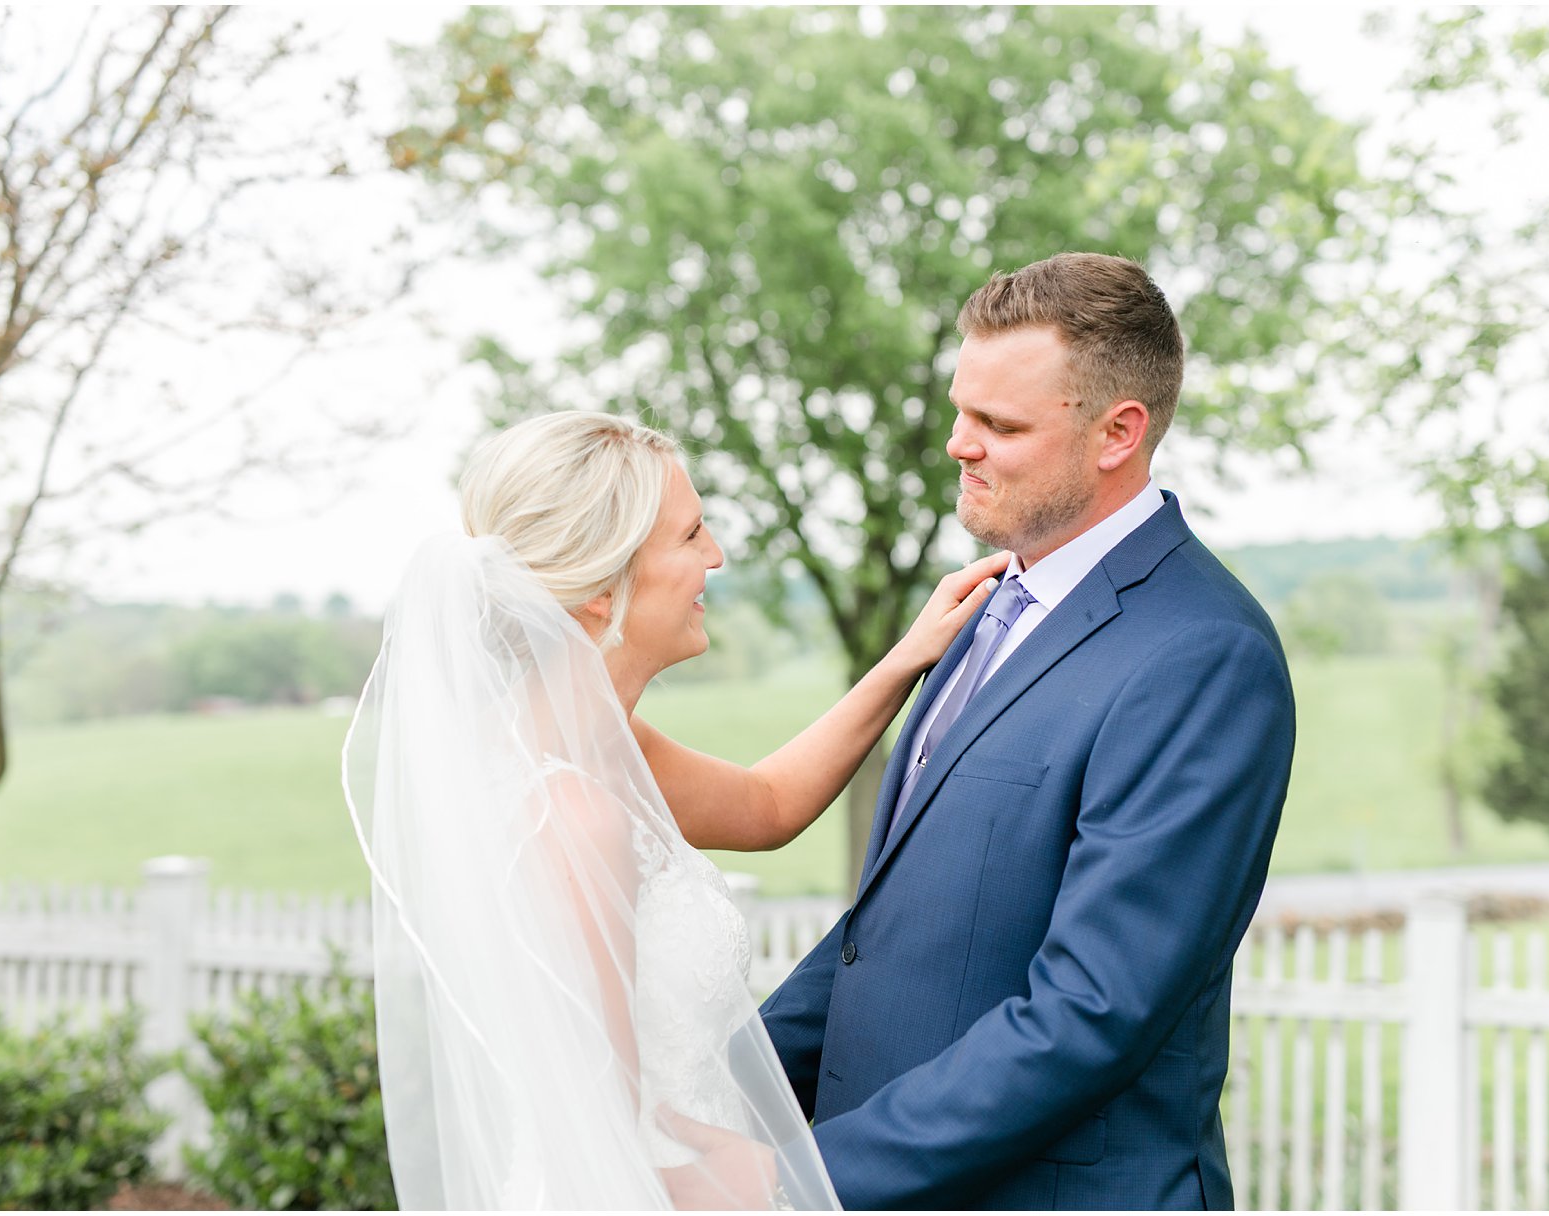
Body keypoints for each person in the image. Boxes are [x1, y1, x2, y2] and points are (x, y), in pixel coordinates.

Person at [342, 411, 1006, 1210]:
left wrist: (905, 659)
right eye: (691, 536)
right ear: (600, 588)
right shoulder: (571, 810)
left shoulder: (592, 743)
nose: (716, 556)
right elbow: (605, 1128)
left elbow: (765, 806)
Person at [758, 252, 1297, 1210]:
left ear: (1117, 433)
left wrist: (806, 1181)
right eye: (961, 411)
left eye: (999, 425)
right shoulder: (986, 604)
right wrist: (714, 1092)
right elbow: (894, 932)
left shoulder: (1202, 656)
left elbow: (1095, 1010)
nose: (959, 446)